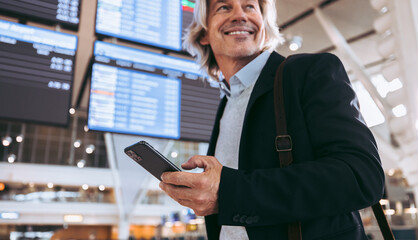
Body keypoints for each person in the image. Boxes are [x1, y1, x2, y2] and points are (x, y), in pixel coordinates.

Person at [159, 0, 385, 239]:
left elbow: (362, 176)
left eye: (249, 7)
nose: (240, 15)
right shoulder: (227, 103)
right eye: (224, 7)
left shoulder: (308, 72)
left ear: (263, 25)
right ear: (203, 33)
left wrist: (228, 191)